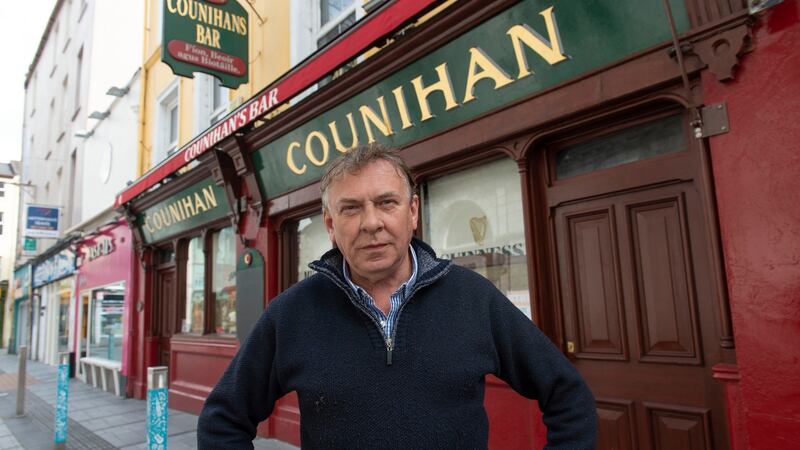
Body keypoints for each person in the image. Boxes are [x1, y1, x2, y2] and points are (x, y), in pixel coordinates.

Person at [197, 145, 597, 449]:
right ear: (331, 226)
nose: (372, 223)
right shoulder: (293, 313)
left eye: (386, 202)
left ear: (413, 211)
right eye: (351, 209)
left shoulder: (473, 297)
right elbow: (222, 419)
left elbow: (567, 394)